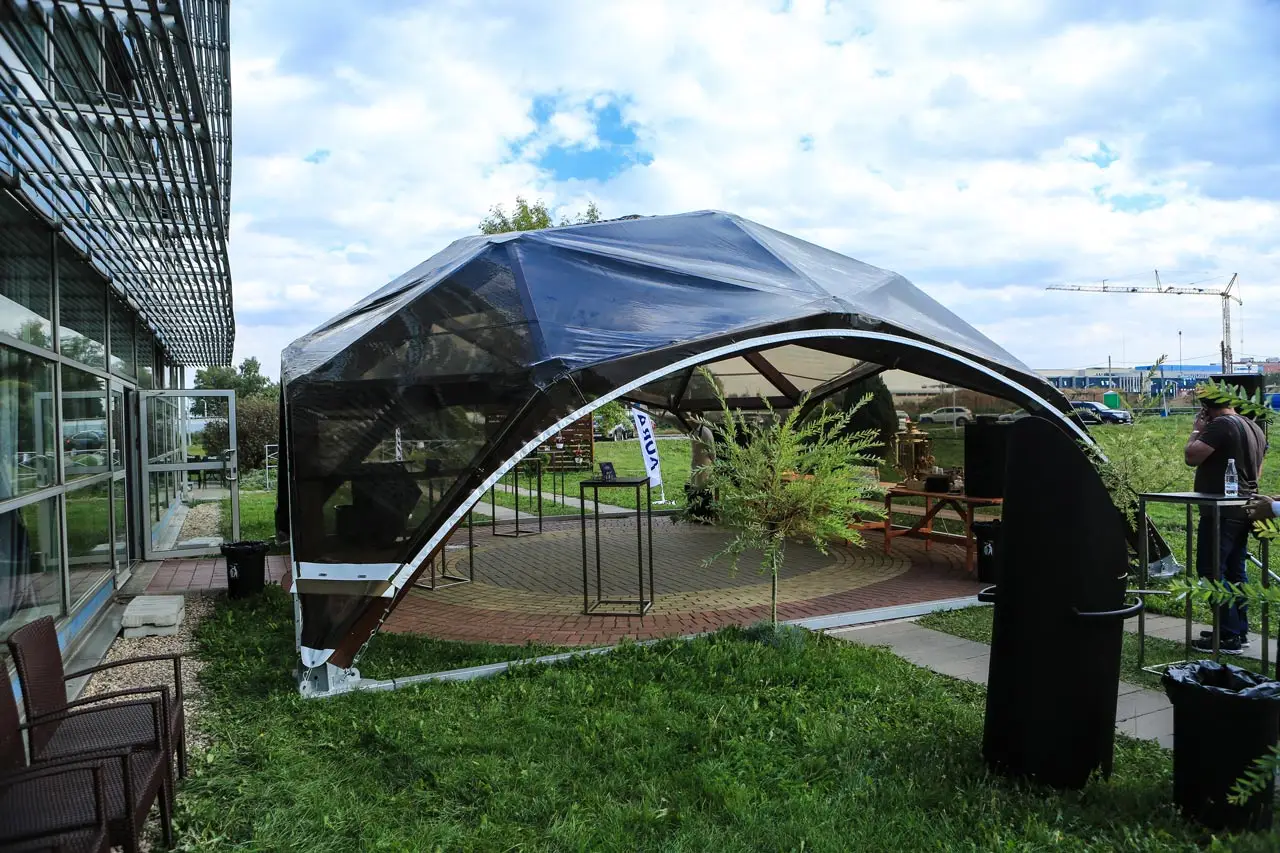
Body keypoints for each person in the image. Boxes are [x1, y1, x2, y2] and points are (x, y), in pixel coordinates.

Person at [1184, 391, 1267, 654]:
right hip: (1245, 507)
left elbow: (1192, 456)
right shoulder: (1253, 426)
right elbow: (1258, 469)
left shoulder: (1220, 425)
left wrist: (1196, 431)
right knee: (1234, 572)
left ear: (1206, 410)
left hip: (1221, 511)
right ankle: (1237, 630)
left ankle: (1228, 636)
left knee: (1211, 571)